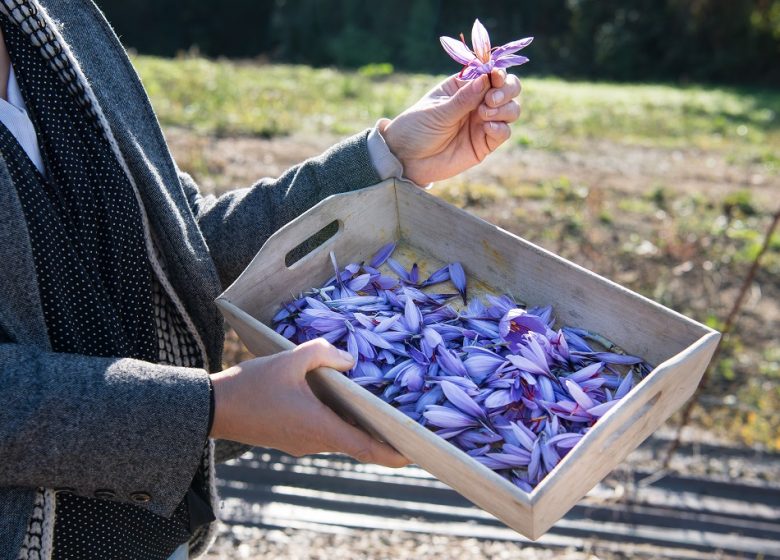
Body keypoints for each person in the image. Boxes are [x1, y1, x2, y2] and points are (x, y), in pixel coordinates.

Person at [0, 1, 523, 559]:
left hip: (158, 535)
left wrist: (386, 160)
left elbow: (182, 243)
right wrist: (212, 408)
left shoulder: (54, 21)